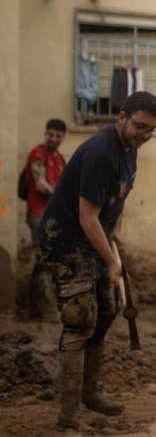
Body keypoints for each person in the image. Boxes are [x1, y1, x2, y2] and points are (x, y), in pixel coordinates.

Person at [36, 92, 156, 429]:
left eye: (151, 130)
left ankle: (89, 394)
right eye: (139, 126)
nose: (144, 135)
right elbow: (87, 216)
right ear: (122, 117)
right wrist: (112, 260)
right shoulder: (99, 153)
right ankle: (68, 413)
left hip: (93, 240)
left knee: (105, 311)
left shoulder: (130, 152)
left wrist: (116, 230)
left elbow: (116, 199)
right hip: (65, 239)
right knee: (79, 317)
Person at [20, 118, 67, 321]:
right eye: (51, 134)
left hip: (54, 217)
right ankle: (46, 310)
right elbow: (40, 184)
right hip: (38, 214)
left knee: (48, 260)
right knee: (45, 259)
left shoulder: (60, 159)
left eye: (58, 136)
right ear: (45, 133)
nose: (54, 139)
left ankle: (37, 309)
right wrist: (59, 196)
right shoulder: (37, 154)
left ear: (63, 138)